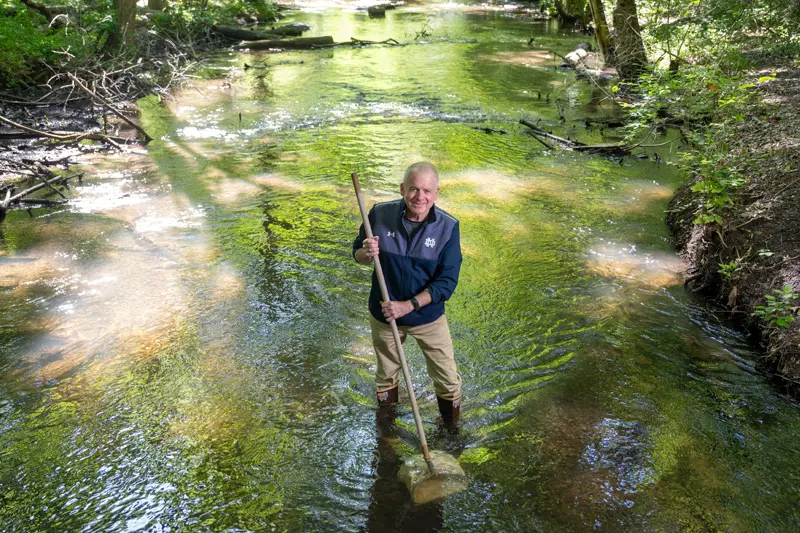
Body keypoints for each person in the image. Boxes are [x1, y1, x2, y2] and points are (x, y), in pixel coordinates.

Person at [353, 162, 463, 423]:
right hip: (385, 314)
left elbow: (446, 283)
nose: (420, 197)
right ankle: (387, 430)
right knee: (385, 375)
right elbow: (357, 254)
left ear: (436, 193)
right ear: (403, 188)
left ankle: (451, 431)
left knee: (447, 379)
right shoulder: (379, 214)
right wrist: (366, 254)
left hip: (428, 316)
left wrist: (408, 305)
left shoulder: (448, 227)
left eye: (427, 190)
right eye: (413, 189)